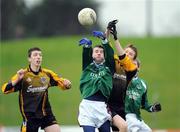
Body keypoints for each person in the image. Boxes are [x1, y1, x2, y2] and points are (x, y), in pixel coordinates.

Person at [1, 47, 72, 132]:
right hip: (30, 117)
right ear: (29, 59)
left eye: (40, 55)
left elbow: (62, 85)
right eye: (35, 55)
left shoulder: (47, 74)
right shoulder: (23, 75)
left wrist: (67, 84)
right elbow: (5, 89)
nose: (38, 57)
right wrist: (17, 80)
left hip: (46, 113)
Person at [77, 30, 115, 132]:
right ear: (92, 55)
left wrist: (104, 40)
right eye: (96, 51)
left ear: (104, 55)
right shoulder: (87, 66)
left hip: (102, 107)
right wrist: (87, 47)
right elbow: (85, 56)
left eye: (101, 52)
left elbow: (111, 55)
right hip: (87, 107)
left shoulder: (109, 67)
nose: (99, 53)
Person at [107, 20, 138, 132]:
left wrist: (116, 38)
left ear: (134, 59)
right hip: (107, 104)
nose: (128, 54)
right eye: (126, 51)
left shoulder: (132, 69)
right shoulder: (114, 61)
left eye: (131, 54)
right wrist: (108, 32)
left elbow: (123, 58)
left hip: (121, 106)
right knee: (123, 126)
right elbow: (107, 47)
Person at [125, 59, 162, 132]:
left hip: (137, 117)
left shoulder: (143, 84)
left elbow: (144, 104)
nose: (132, 66)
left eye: (134, 64)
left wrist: (153, 108)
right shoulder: (123, 80)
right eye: (130, 64)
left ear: (138, 68)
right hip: (127, 115)